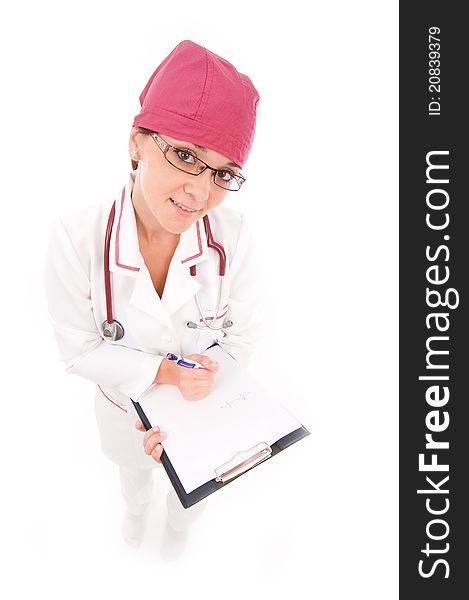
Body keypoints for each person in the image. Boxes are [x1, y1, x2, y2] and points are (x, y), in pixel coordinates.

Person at [43, 40, 261, 550]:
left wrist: (198, 392)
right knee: (136, 483)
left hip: (203, 415)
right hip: (124, 413)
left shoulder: (233, 239)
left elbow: (243, 338)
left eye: (223, 173)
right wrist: (162, 375)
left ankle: (175, 547)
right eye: (185, 156)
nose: (201, 193)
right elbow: (78, 351)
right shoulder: (77, 240)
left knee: (195, 499)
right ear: (137, 141)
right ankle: (135, 527)